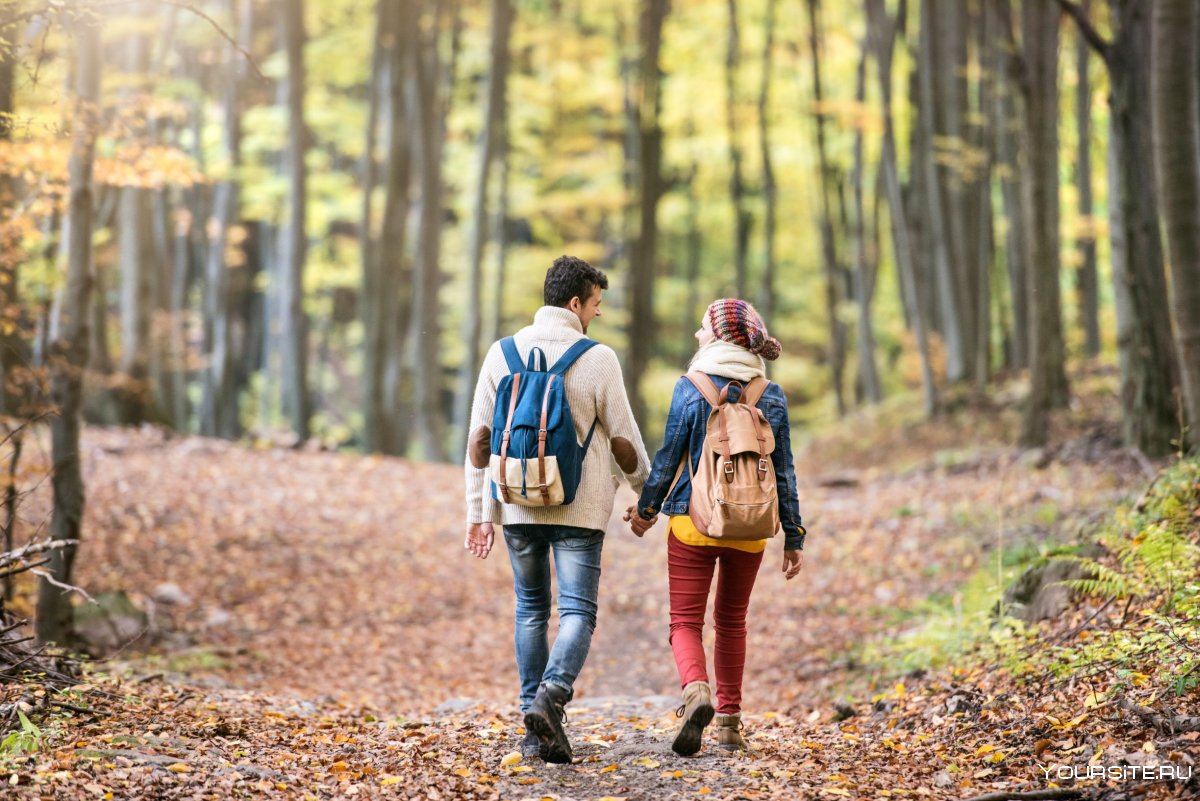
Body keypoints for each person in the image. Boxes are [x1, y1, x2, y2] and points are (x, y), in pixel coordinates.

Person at [463, 255, 651, 764]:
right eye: (595, 304)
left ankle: (532, 723)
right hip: (580, 509)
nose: (598, 314)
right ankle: (552, 697)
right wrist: (647, 497)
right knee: (578, 613)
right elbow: (624, 440)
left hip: (518, 503)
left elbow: (479, 441)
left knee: (530, 610)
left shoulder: (501, 354)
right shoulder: (598, 358)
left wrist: (480, 512)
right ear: (575, 304)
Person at [625, 298, 806, 756]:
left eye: (703, 327)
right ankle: (729, 722)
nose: (696, 335)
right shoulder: (772, 393)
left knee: (685, 621)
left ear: (721, 336)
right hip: (751, 527)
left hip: (693, 521)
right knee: (732, 623)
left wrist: (646, 512)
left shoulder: (691, 386)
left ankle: (695, 691)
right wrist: (793, 535)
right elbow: (784, 470)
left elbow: (667, 460)